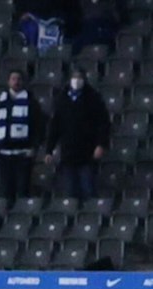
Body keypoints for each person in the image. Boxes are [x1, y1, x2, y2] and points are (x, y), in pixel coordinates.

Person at [45, 69, 111, 200]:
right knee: (70, 192)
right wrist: (49, 150)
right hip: (68, 153)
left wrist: (101, 144)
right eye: (74, 77)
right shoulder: (61, 99)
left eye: (80, 77)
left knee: (88, 190)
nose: (77, 80)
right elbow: (54, 127)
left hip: (88, 152)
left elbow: (103, 124)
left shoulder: (93, 98)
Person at [0, 70, 45, 204]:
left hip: (23, 154)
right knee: (6, 191)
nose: (16, 82)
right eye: (13, 79)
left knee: (23, 190)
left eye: (19, 79)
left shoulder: (31, 103)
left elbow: (39, 127)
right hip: (3, 155)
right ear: (8, 81)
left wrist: (35, 146)